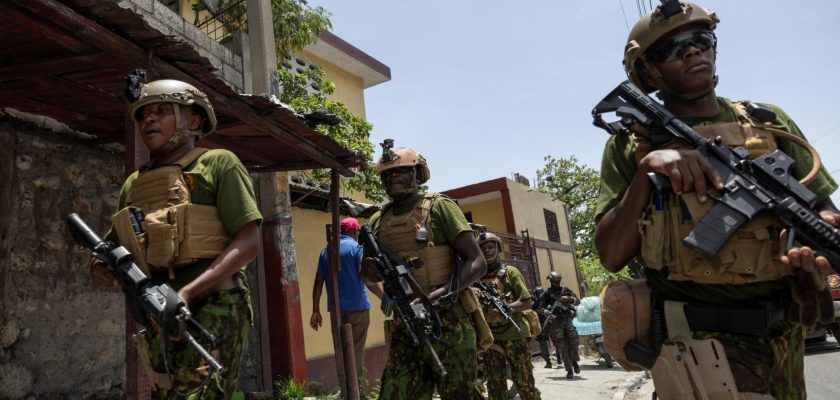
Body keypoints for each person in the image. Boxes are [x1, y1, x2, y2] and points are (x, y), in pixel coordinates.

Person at [594, 1, 839, 398]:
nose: (692, 52)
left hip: (784, 337)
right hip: (696, 347)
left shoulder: (768, 122)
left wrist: (820, 232)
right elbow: (611, 254)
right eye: (672, 50)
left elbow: (823, 207)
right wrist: (648, 171)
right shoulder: (632, 145)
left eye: (700, 40)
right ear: (649, 72)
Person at [90, 79, 262, 399]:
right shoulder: (135, 183)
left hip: (216, 306)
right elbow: (116, 245)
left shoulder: (219, 163)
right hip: (160, 313)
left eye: (162, 111)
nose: (149, 120)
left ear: (193, 121)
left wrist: (187, 292)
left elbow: (250, 242)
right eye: (143, 115)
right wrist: (100, 267)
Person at [361, 143, 488, 400]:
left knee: (461, 393)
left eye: (400, 172)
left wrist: (436, 297)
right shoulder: (377, 220)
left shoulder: (440, 207)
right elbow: (368, 274)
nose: (392, 177)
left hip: (449, 319)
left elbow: (477, 262)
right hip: (406, 323)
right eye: (387, 174)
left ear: (417, 174)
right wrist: (370, 268)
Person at [310, 217, 384, 382]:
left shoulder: (326, 251)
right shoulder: (358, 249)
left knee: (342, 349)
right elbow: (367, 278)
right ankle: (355, 390)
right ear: (353, 230)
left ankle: (345, 388)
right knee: (356, 350)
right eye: (357, 231)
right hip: (358, 308)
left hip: (336, 310)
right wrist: (383, 297)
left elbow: (318, 281)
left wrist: (316, 310)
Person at [476, 233, 540, 400]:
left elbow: (526, 302)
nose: (487, 251)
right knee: (495, 388)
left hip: (515, 335)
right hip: (491, 339)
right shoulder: (476, 278)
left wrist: (506, 309)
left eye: (490, 247)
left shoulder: (511, 272)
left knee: (525, 385)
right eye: (482, 248)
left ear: (498, 249)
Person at [537, 271, 580, 379]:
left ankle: (574, 361)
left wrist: (569, 299)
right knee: (562, 346)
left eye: (555, 281)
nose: (554, 283)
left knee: (573, 342)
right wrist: (546, 312)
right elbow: (539, 307)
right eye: (553, 281)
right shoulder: (546, 293)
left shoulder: (566, 290)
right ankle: (569, 369)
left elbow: (577, 301)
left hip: (568, 319)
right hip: (556, 322)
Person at [531, 286, 561, 369]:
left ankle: (559, 356)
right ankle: (548, 361)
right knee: (543, 343)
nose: (540, 294)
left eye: (541, 293)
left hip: (550, 323)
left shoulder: (548, 299)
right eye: (538, 293)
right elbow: (532, 308)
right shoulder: (534, 302)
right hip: (540, 325)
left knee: (557, 340)